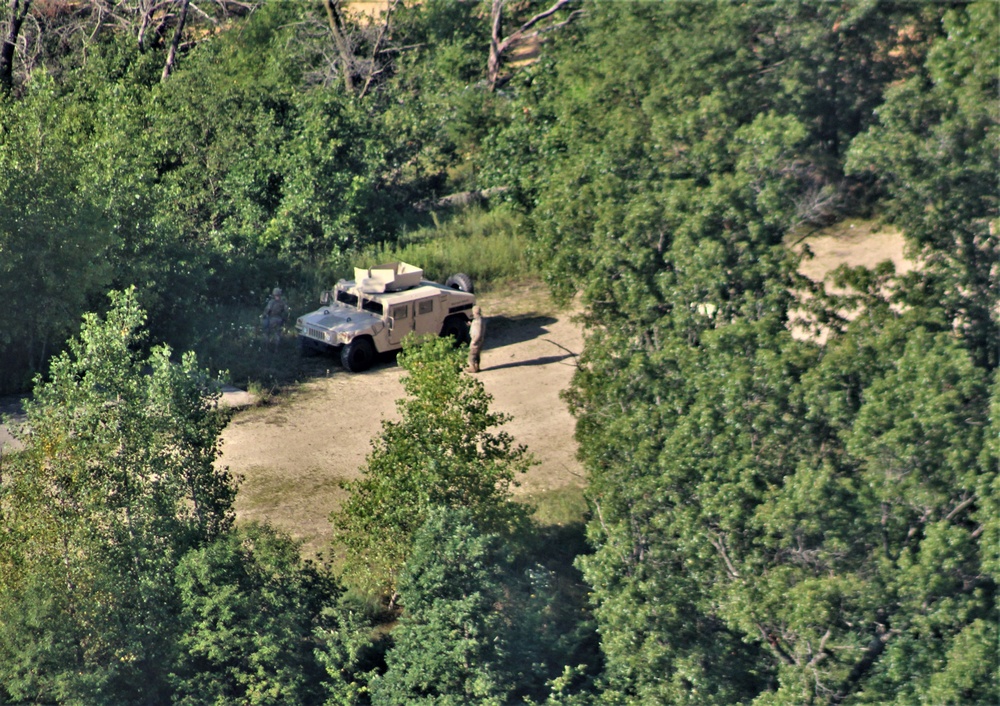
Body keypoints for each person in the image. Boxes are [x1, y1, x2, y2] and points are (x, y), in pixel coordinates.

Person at [466, 305, 485, 373]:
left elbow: (478, 332)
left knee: (472, 354)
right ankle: (477, 367)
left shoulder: (477, 321)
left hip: (476, 340)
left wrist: (474, 341)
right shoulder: (480, 319)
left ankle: (473, 368)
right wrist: (471, 324)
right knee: (477, 354)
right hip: (480, 340)